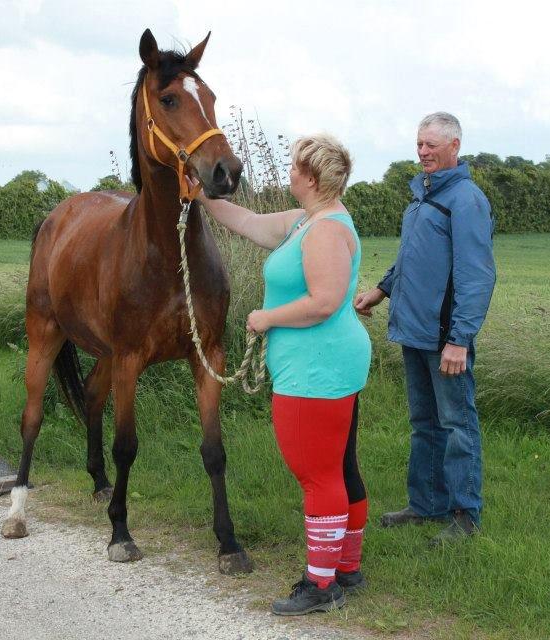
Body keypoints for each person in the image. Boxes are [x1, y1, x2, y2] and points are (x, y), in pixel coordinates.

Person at [194, 134, 371, 615]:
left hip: (317, 371)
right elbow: (247, 222)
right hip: (327, 365)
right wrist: (203, 195)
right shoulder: (306, 221)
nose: (288, 171)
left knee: (317, 475)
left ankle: (321, 584)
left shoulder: (326, 232)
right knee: (339, 468)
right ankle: (345, 569)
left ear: (311, 178)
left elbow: (324, 302)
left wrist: (266, 318)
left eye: (295, 166)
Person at [354, 112, 496, 546]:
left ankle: (464, 514)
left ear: (455, 146)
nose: (423, 152)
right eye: (419, 144)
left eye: (432, 145)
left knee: (456, 422)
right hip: (413, 330)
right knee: (423, 422)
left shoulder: (466, 200)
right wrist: (382, 290)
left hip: (444, 337)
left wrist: (459, 339)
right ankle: (425, 504)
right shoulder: (421, 197)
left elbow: (477, 276)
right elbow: (412, 259)